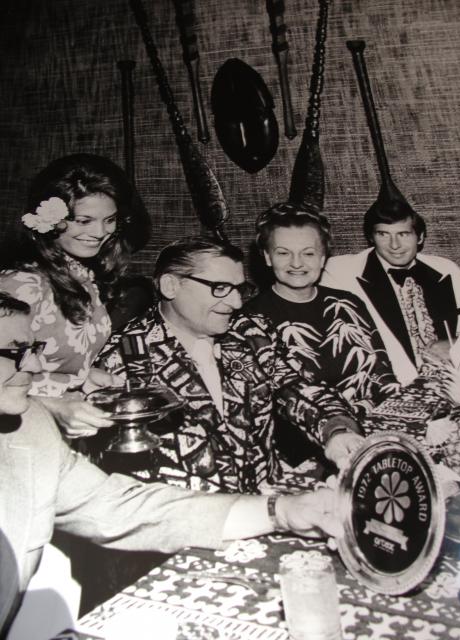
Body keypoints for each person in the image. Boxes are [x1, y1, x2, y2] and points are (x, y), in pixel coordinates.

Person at [0, 290, 344, 637]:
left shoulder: (30, 431)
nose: (35, 367)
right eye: (15, 352)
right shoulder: (130, 348)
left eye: (33, 350)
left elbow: (126, 508)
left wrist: (280, 511)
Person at [94, 236, 363, 493]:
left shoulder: (251, 332)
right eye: (220, 288)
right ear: (170, 286)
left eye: (239, 289)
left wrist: (336, 430)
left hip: (267, 500)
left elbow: (297, 387)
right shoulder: (123, 357)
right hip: (187, 513)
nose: (236, 303)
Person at [0, 153, 150, 437]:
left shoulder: (84, 275)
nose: (100, 232)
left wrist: (84, 378)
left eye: (110, 220)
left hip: (67, 430)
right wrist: (53, 404)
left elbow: (55, 362)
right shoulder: (20, 285)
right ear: (49, 220)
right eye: (83, 221)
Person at [244, 202, 398, 466]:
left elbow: (382, 375)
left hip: (376, 437)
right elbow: (286, 397)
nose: (296, 263)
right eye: (283, 253)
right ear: (267, 257)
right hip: (309, 454)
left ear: (323, 256)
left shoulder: (347, 303)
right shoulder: (250, 320)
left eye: (308, 253)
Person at [320, 200, 460, 385]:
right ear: (371, 237)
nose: (394, 245)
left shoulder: (444, 268)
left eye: (403, 234)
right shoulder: (340, 271)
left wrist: (456, 345)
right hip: (384, 385)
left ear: (420, 237)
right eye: (383, 234)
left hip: (452, 384)